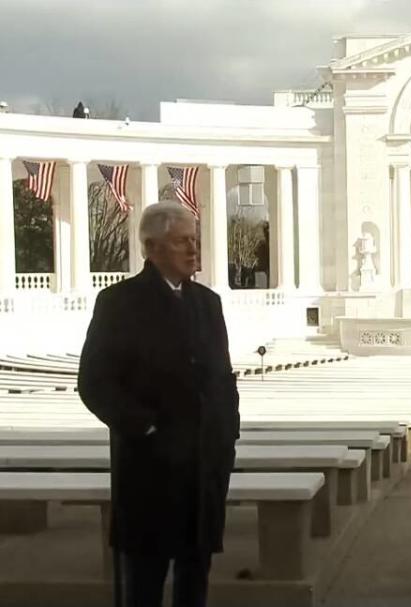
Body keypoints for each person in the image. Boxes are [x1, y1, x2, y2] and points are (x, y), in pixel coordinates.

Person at [78, 201, 240, 607]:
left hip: (203, 468)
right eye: (183, 241)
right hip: (150, 468)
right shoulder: (119, 302)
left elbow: (221, 378)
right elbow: (95, 383)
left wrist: (226, 436)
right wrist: (146, 427)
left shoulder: (208, 302)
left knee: (195, 579)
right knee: (145, 583)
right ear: (152, 248)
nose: (193, 250)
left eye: (195, 241)